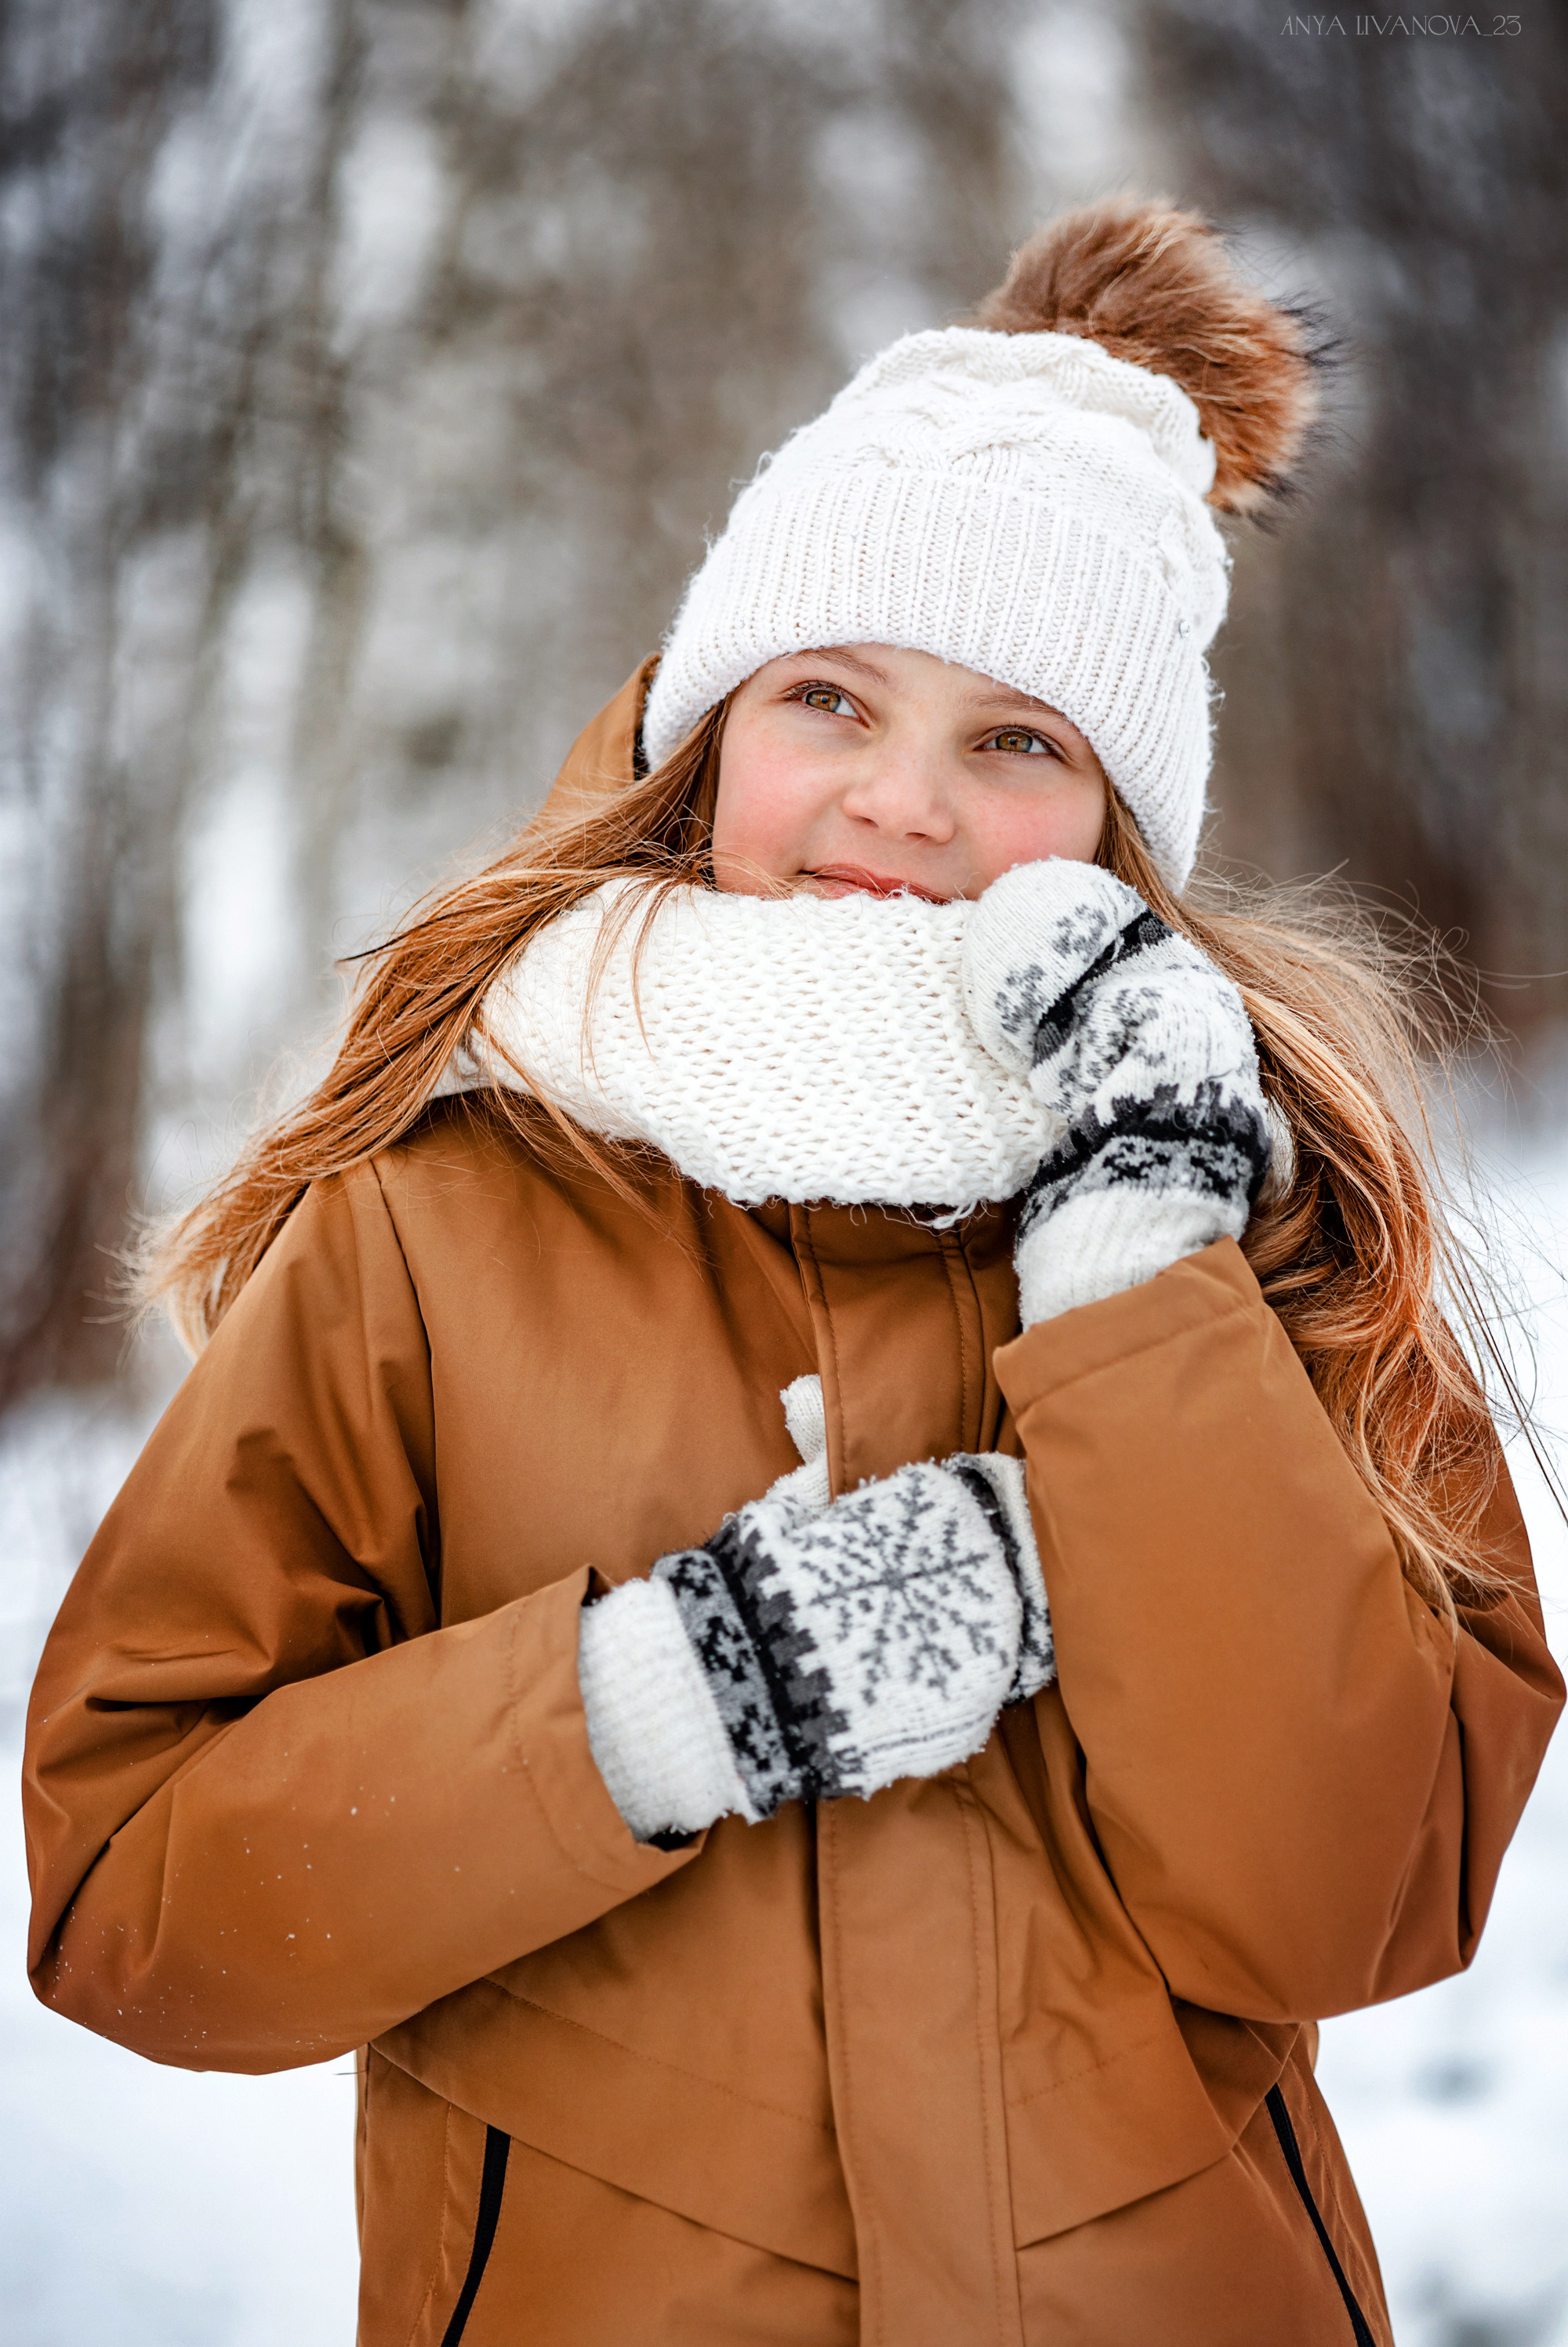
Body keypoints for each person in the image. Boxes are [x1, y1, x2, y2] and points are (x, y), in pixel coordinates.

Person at [23, 197, 1563, 2346]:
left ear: (1125, 829)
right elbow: (135, 1909)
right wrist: (676, 1695)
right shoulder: (439, 1219)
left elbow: (1350, 1897)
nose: (902, 805)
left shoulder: (1275, 1223)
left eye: (1019, 739)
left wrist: (1141, 1273)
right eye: (831, 694)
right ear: (705, 732)